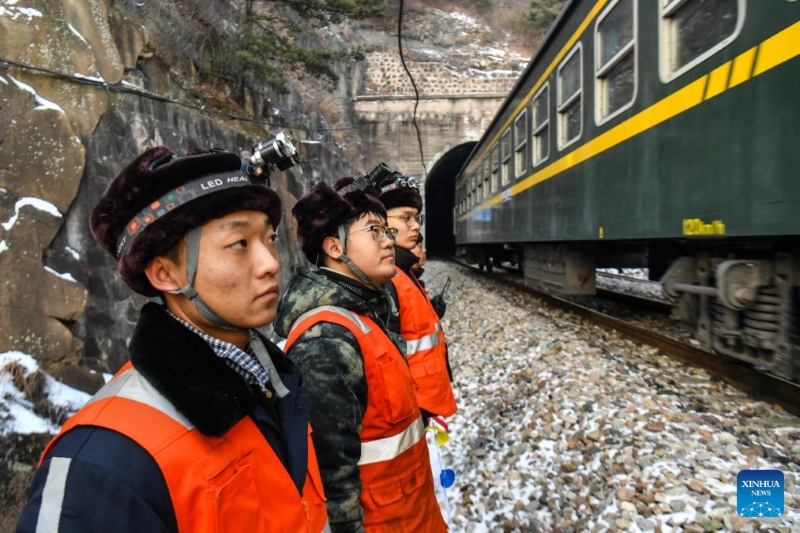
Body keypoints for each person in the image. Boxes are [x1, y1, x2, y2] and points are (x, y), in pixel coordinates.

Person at [17, 147, 330, 532]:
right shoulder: (103, 462)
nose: (271, 262)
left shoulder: (276, 389)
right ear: (165, 274)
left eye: (268, 239)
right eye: (239, 244)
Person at [273, 178, 447, 533]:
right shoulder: (326, 341)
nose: (389, 240)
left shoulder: (364, 313)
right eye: (374, 231)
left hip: (410, 514)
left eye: (387, 230)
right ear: (335, 247)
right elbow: (331, 485)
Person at [380, 173, 456, 425]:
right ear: (380, 222)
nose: (415, 226)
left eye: (416, 218)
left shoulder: (403, 272)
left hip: (420, 403)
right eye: (405, 218)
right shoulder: (387, 279)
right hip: (411, 408)